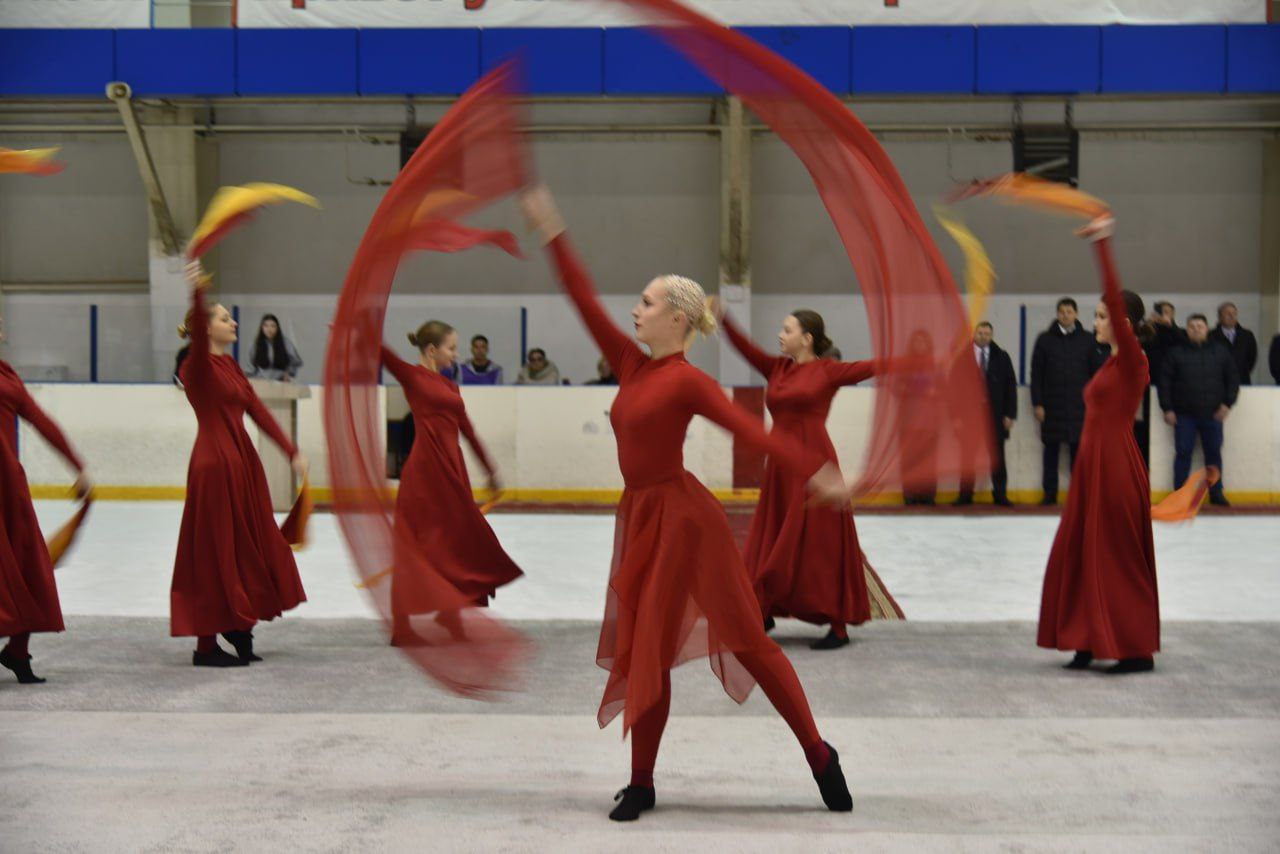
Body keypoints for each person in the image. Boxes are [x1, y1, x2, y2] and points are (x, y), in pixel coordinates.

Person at [521, 184, 854, 822]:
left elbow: (754, 431)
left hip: (686, 522)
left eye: (646, 303)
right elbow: (581, 299)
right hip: (644, 517)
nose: (634, 310)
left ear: (676, 318)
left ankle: (818, 753)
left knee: (750, 642)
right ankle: (642, 781)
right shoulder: (630, 363)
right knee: (647, 648)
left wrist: (812, 472)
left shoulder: (689, 382)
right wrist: (553, 231)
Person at [718, 304, 902, 650]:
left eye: (787, 330)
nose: (779, 335)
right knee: (770, 539)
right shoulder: (777, 368)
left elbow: (877, 366)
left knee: (822, 544)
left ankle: (839, 626)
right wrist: (724, 319)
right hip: (780, 467)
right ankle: (764, 609)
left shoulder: (828, 371)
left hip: (816, 467)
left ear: (806, 339)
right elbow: (744, 349)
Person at [171, 261, 309, 667]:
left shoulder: (230, 366)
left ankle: (240, 626)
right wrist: (197, 291)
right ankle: (206, 644)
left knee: (249, 545)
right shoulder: (194, 366)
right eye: (224, 318)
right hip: (213, 465)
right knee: (216, 550)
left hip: (242, 463)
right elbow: (197, 332)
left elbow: (258, 411)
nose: (233, 322)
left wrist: (291, 450)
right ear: (204, 328)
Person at [1038, 216, 1159, 675]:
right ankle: (1086, 639)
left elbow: (1114, 292)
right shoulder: (1109, 364)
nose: (1096, 322)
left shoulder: (1133, 359)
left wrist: (1102, 244)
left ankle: (1135, 648)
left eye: (1103, 316)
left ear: (1124, 323)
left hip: (1115, 470)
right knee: (1080, 553)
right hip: (1092, 470)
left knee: (1115, 557)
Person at [379, 321, 523, 645]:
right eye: (452, 348)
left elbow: (468, 431)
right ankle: (402, 626)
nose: (457, 354)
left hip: (453, 472)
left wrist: (490, 470)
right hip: (424, 474)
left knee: (458, 544)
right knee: (416, 548)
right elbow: (382, 354)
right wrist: (356, 329)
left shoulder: (451, 386)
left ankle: (451, 613)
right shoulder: (413, 377)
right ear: (432, 350)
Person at [0, 315, 91, 684]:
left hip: (9, 486)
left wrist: (76, 464)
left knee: (31, 567)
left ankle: (17, 651)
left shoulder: (7, 376)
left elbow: (41, 420)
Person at [1157, 314, 1238, 507]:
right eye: (1192, 326)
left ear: (1207, 328)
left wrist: (1227, 404)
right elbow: (1164, 382)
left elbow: (1233, 380)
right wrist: (1167, 408)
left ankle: (1216, 494)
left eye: (1200, 326)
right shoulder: (1176, 353)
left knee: (1213, 454)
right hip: (1184, 416)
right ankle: (1180, 496)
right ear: (1187, 329)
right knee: (1183, 454)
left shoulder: (1220, 352)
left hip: (1213, 414)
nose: (1196, 329)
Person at [1030, 297, 1103, 505]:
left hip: (1081, 408)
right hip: (1052, 407)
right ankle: (1049, 495)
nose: (1065, 315)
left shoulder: (1089, 339)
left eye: (1069, 311)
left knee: (1079, 457)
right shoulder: (1044, 340)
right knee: (1050, 454)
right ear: (1057, 314)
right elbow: (1036, 374)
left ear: (1076, 314)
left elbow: (1097, 375)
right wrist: (1038, 403)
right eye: (1061, 311)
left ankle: (1079, 497)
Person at [956, 321, 1016, 507]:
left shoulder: (1002, 357)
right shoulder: (962, 358)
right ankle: (965, 496)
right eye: (980, 333)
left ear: (992, 335)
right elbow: (953, 389)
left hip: (995, 415)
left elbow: (1010, 387)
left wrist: (1009, 414)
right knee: (967, 458)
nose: (983, 336)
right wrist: (955, 417)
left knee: (997, 457)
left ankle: (1000, 494)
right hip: (969, 417)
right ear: (974, 334)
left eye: (987, 333)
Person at [1208, 302, 1257, 386]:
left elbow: (1252, 357)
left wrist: (1243, 370)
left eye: (1234, 313)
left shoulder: (1247, 335)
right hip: (1218, 381)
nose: (1232, 316)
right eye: (1227, 313)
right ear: (1219, 316)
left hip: (1242, 380)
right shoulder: (1210, 335)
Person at [246, 313, 303, 382]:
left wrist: (288, 372)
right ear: (262, 328)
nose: (269, 329)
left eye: (273, 326)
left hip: (281, 381)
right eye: (266, 326)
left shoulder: (286, 343)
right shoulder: (255, 344)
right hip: (260, 381)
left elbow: (297, 361)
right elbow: (250, 365)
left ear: (277, 328)